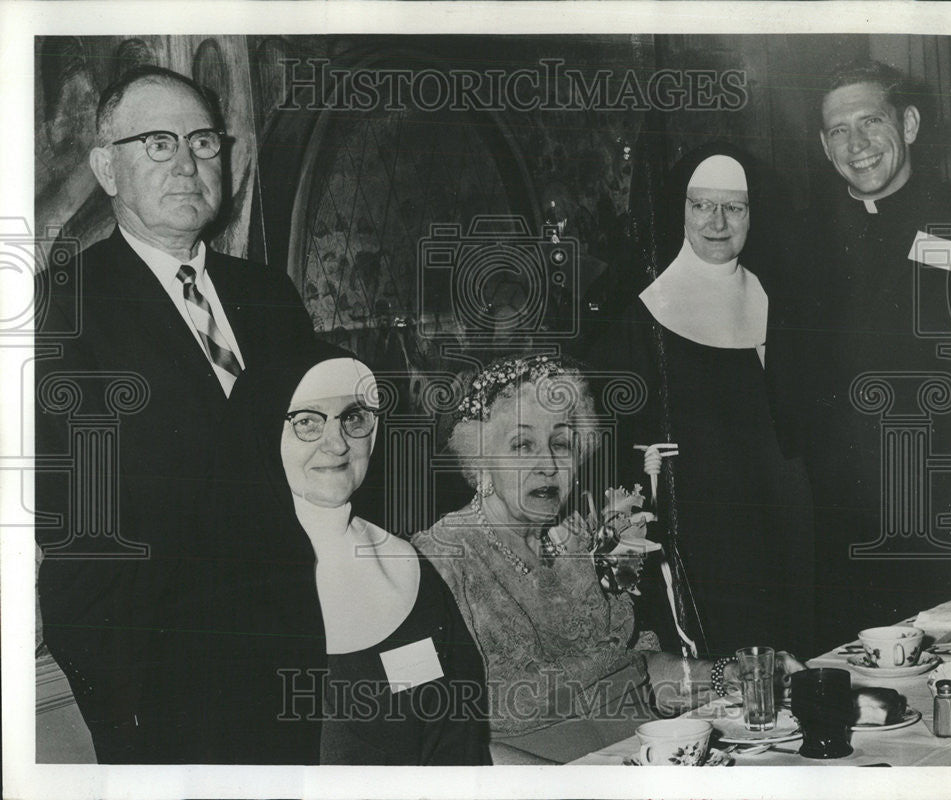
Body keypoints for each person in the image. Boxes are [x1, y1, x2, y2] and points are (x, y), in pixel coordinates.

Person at [34, 65, 314, 762]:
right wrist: (121, 688)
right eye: (158, 143)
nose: (188, 164)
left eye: (204, 142)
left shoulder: (268, 295)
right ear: (106, 167)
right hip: (154, 670)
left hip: (295, 647)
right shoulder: (59, 306)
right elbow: (71, 509)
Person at [411, 354, 803, 763]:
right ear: (480, 460)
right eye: (522, 444)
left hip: (642, 755)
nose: (547, 465)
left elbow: (633, 669)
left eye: (560, 443)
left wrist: (728, 676)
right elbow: (432, 740)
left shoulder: (579, 537)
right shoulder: (438, 560)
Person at [587, 143, 815, 659]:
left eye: (734, 207)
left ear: (754, 214)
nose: (717, 221)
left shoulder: (774, 297)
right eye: (701, 206)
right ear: (681, 212)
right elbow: (604, 444)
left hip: (776, 530)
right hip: (696, 538)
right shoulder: (639, 317)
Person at [767, 60, 951, 650]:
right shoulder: (802, 237)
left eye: (871, 121)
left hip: (946, 493)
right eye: (838, 131)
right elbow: (788, 370)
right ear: (825, 149)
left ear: (908, 123)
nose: (858, 144)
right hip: (846, 503)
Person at [223, 343, 491, 765]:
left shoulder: (407, 566)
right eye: (307, 422)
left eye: (353, 418)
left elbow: (455, 738)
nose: (337, 443)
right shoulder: (219, 591)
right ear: (261, 433)